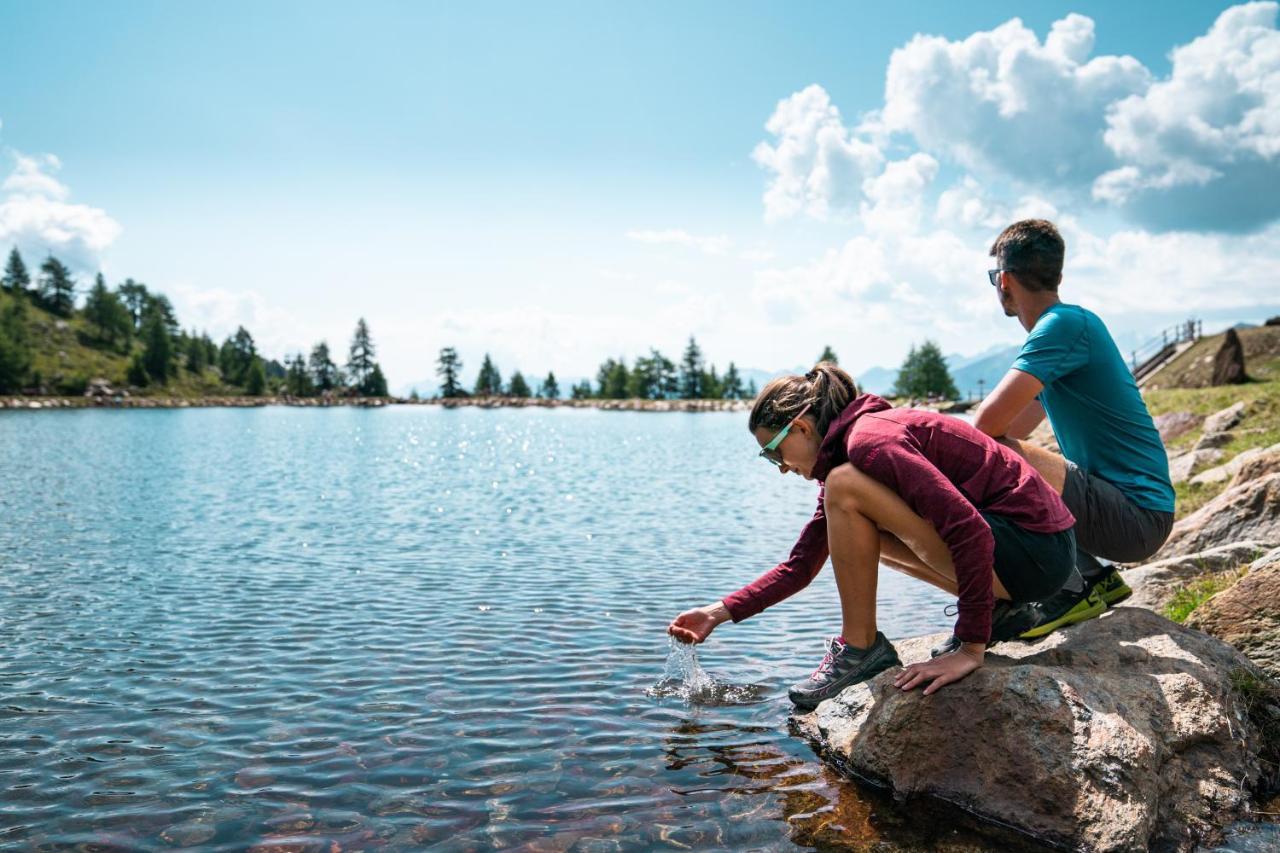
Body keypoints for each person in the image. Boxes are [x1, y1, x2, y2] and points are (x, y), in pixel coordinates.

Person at [667, 363, 1078, 709]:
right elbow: (800, 566)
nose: (779, 468)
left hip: (1036, 552)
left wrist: (971, 647)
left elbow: (968, 530)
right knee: (860, 526)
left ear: (802, 427)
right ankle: (1001, 610)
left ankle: (862, 648)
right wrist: (718, 612)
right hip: (1034, 556)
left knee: (846, 487)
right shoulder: (851, 454)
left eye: (773, 452)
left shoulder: (870, 443)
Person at [973, 219, 1176, 633]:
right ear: (1058, 276)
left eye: (994, 276)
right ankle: (1094, 580)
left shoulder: (1062, 326)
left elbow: (984, 429)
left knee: (985, 456)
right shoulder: (1067, 330)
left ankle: (1068, 588)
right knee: (992, 454)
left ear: (1005, 280)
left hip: (1136, 516)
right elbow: (1015, 425)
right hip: (1128, 514)